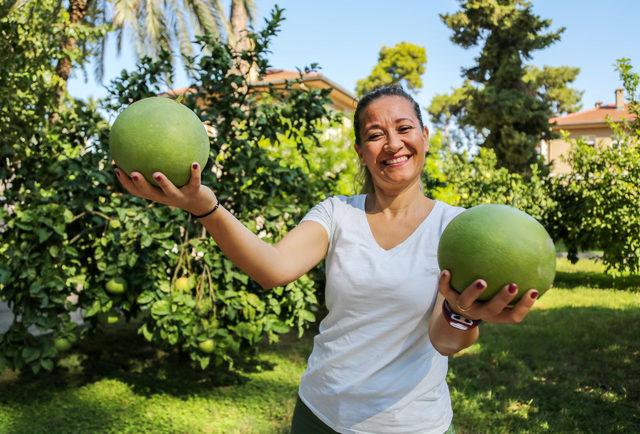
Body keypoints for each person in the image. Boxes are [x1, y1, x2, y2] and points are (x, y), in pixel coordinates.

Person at [115, 85, 539, 433]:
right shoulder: (337, 212)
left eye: (404, 128)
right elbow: (273, 268)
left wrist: (463, 314)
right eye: (375, 135)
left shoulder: (459, 230)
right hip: (321, 413)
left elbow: (445, 342)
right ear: (360, 150)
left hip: (409, 424)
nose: (392, 144)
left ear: (424, 137)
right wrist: (205, 206)